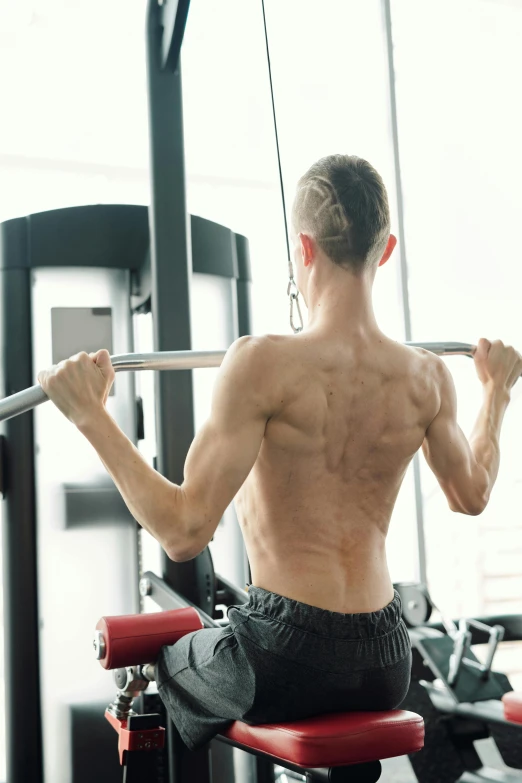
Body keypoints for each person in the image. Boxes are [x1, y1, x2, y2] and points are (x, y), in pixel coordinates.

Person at [38, 154, 522, 751]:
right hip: (387, 660)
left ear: (304, 248)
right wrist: (497, 392)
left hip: (284, 658)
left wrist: (91, 414)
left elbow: (184, 530)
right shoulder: (427, 377)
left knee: (173, 658)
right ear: (386, 249)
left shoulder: (261, 363)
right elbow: (471, 495)